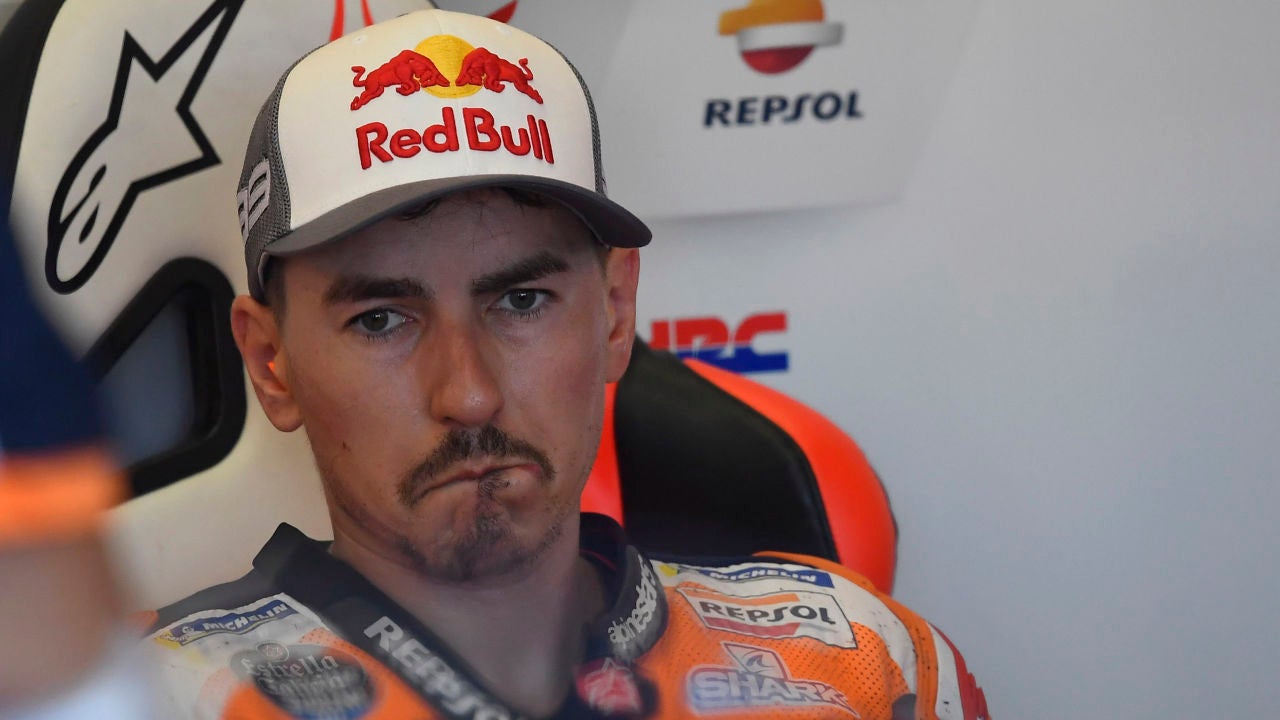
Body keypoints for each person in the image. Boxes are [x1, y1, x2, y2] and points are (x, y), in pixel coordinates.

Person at [140, 9, 989, 719]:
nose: (469, 393)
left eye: (520, 302)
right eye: (382, 319)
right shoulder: (154, 699)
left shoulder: (863, 660)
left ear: (615, 311)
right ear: (271, 363)